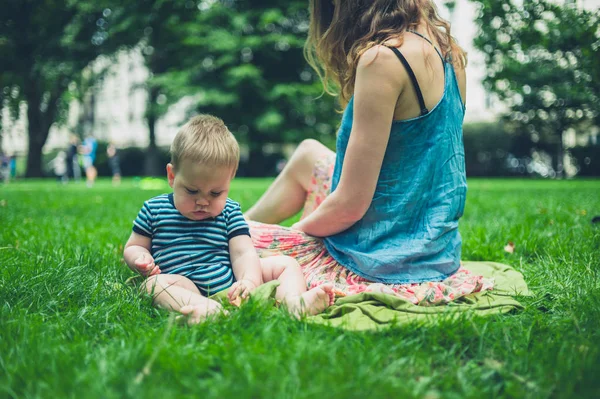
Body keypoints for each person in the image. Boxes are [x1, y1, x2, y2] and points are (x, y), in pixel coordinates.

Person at [245, 0, 491, 300]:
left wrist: (298, 234)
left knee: (225, 248)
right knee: (309, 154)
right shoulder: (451, 52)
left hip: (378, 262)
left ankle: (234, 233)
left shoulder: (382, 59)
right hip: (437, 255)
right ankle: (238, 224)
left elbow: (350, 205)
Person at [123, 115, 334, 324]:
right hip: (185, 285)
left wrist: (248, 281)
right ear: (172, 176)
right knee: (152, 285)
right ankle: (206, 308)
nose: (203, 202)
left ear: (229, 181)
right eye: (192, 191)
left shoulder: (229, 212)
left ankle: (293, 304)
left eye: (215, 193)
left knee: (286, 264)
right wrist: (140, 259)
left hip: (231, 282)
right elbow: (134, 246)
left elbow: (243, 253)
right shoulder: (154, 209)